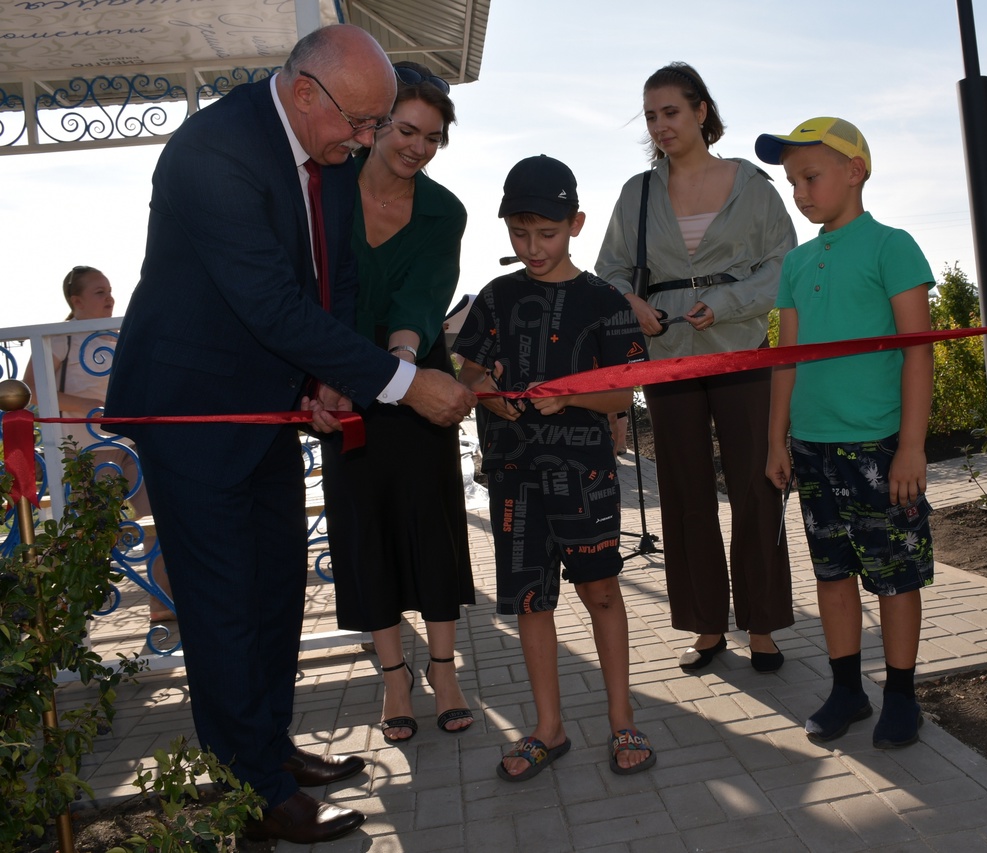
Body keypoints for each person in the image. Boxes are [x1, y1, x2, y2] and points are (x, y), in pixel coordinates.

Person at [104, 25, 476, 845]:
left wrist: (327, 378)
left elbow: (330, 283)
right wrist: (408, 386)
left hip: (269, 405)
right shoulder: (213, 153)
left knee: (275, 591)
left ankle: (269, 751)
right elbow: (270, 302)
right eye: (365, 122)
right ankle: (254, 793)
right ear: (308, 92)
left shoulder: (331, 153)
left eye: (381, 126)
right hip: (194, 415)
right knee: (223, 608)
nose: (371, 140)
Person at [453, 155, 656, 781]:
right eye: (519, 233)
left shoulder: (603, 302)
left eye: (546, 232)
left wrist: (569, 396)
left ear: (576, 223)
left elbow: (624, 395)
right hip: (514, 479)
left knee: (601, 592)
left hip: (587, 477)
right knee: (533, 604)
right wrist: (494, 388)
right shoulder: (495, 297)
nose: (532, 247)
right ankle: (549, 729)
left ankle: (622, 719)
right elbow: (468, 374)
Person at [595, 62, 797, 674]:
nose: (660, 125)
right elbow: (608, 273)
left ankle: (762, 624)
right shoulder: (638, 193)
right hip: (667, 360)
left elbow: (783, 266)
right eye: (651, 116)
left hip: (740, 349)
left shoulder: (753, 185)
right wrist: (635, 306)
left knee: (757, 487)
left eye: (671, 112)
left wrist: (729, 302)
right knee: (684, 493)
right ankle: (706, 626)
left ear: (702, 111)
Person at [758, 117, 936, 749]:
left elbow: (920, 353)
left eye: (810, 177)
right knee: (831, 575)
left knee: (893, 576)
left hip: (879, 447)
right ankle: (846, 690)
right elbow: (786, 358)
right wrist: (778, 440)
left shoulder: (893, 247)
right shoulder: (797, 263)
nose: (800, 192)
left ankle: (902, 696)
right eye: (791, 182)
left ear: (856, 170)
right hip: (812, 447)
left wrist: (911, 447)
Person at [320, 60, 475, 745]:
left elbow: (421, 298)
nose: (418, 146)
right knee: (366, 529)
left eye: (433, 137)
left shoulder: (445, 211)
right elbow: (318, 293)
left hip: (418, 385)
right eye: (408, 130)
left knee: (429, 524)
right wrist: (327, 374)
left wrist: (404, 369)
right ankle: (393, 677)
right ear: (378, 126)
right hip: (340, 383)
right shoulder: (324, 190)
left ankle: (445, 670)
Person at [22, 266, 174, 622]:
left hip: (131, 442)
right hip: (87, 450)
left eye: (109, 290)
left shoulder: (116, 336)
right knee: (94, 530)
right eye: (99, 292)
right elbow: (28, 393)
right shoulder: (59, 338)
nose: (111, 299)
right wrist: (87, 408)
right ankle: (68, 611)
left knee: (157, 519)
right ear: (76, 302)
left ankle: (164, 606)